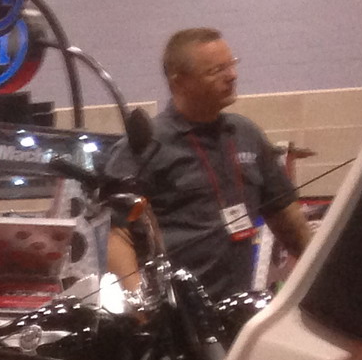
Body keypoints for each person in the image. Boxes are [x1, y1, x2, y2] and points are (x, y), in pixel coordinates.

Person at [106, 27, 308, 298]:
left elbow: (287, 217)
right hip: (178, 310)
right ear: (179, 82)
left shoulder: (246, 134)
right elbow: (117, 236)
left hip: (240, 306)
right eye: (217, 70)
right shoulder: (145, 146)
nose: (232, 75)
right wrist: (141, 308)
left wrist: (324, 272)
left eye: (232, 64)